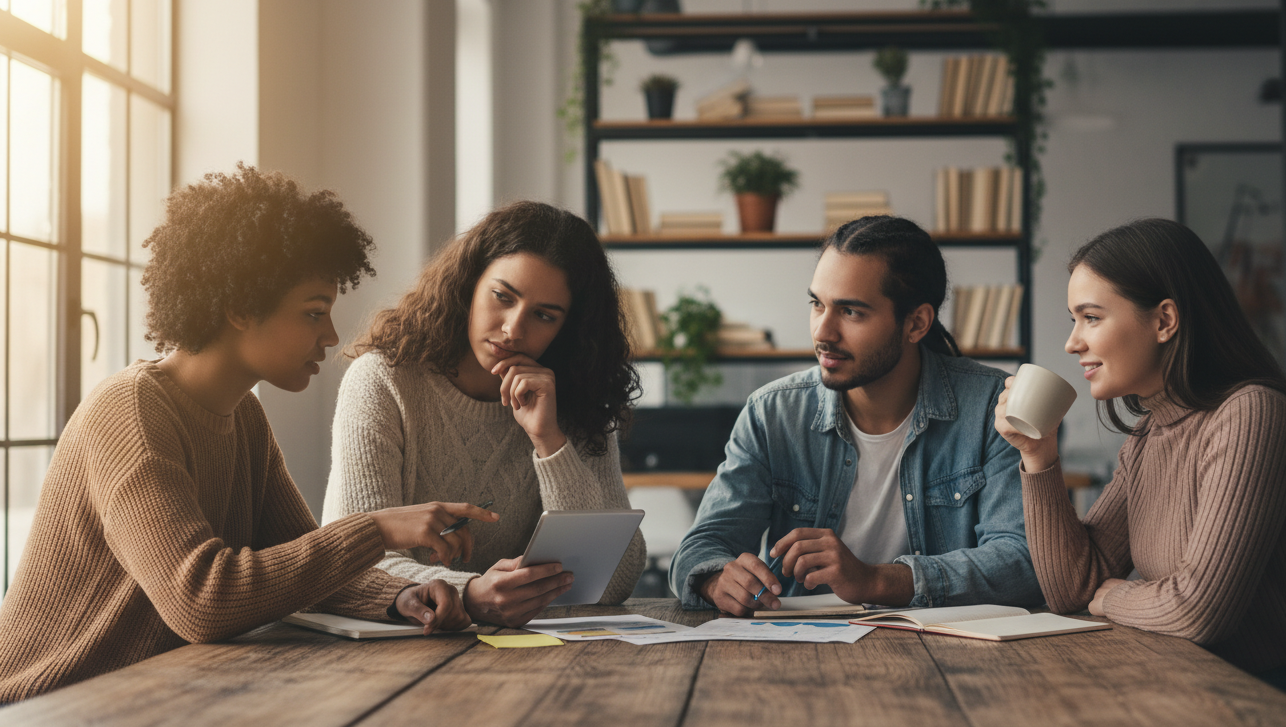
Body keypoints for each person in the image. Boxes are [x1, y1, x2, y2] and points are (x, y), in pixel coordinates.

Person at [0, 166, 492, 703]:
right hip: (44, 702)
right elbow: (202, 599)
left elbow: (309, 569)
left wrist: (408, 596)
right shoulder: (132, 414)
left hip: (148, 698)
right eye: (312, 313)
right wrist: (376, 529)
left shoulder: (244, 419)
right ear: (238, 308)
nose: (330, 336)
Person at [996, 218, 1286, 718]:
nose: (1073, 343)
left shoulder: (1252, 414)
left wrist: (1114, 595)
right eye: (1075, 320)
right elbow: (1072, 588)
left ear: (1164, 320)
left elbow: (1198, 611)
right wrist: (1038, 456)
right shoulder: (1148, 436)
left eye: (1091, 317)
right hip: (1200, 687)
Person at [669, 215, 1043, 615]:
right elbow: (702, 546)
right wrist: (714, 578)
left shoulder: (992, 406)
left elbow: (1023, 562)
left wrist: (876, 580)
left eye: (851, 312)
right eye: (818, 304)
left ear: (916, 323)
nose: (822, 332)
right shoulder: (773, 413)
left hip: (949, 653)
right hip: (801, 647)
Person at [323, 201, 646, 628]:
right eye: (502, 297)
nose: (514, 328)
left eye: (544, 316)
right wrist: (469, 593)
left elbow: (614, 579)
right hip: (400, 648)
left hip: (526, 656)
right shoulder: (383, 381)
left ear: (569, 328)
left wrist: (550, 444)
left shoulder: (573, 400)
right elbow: (352, 561)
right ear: (468, 283)